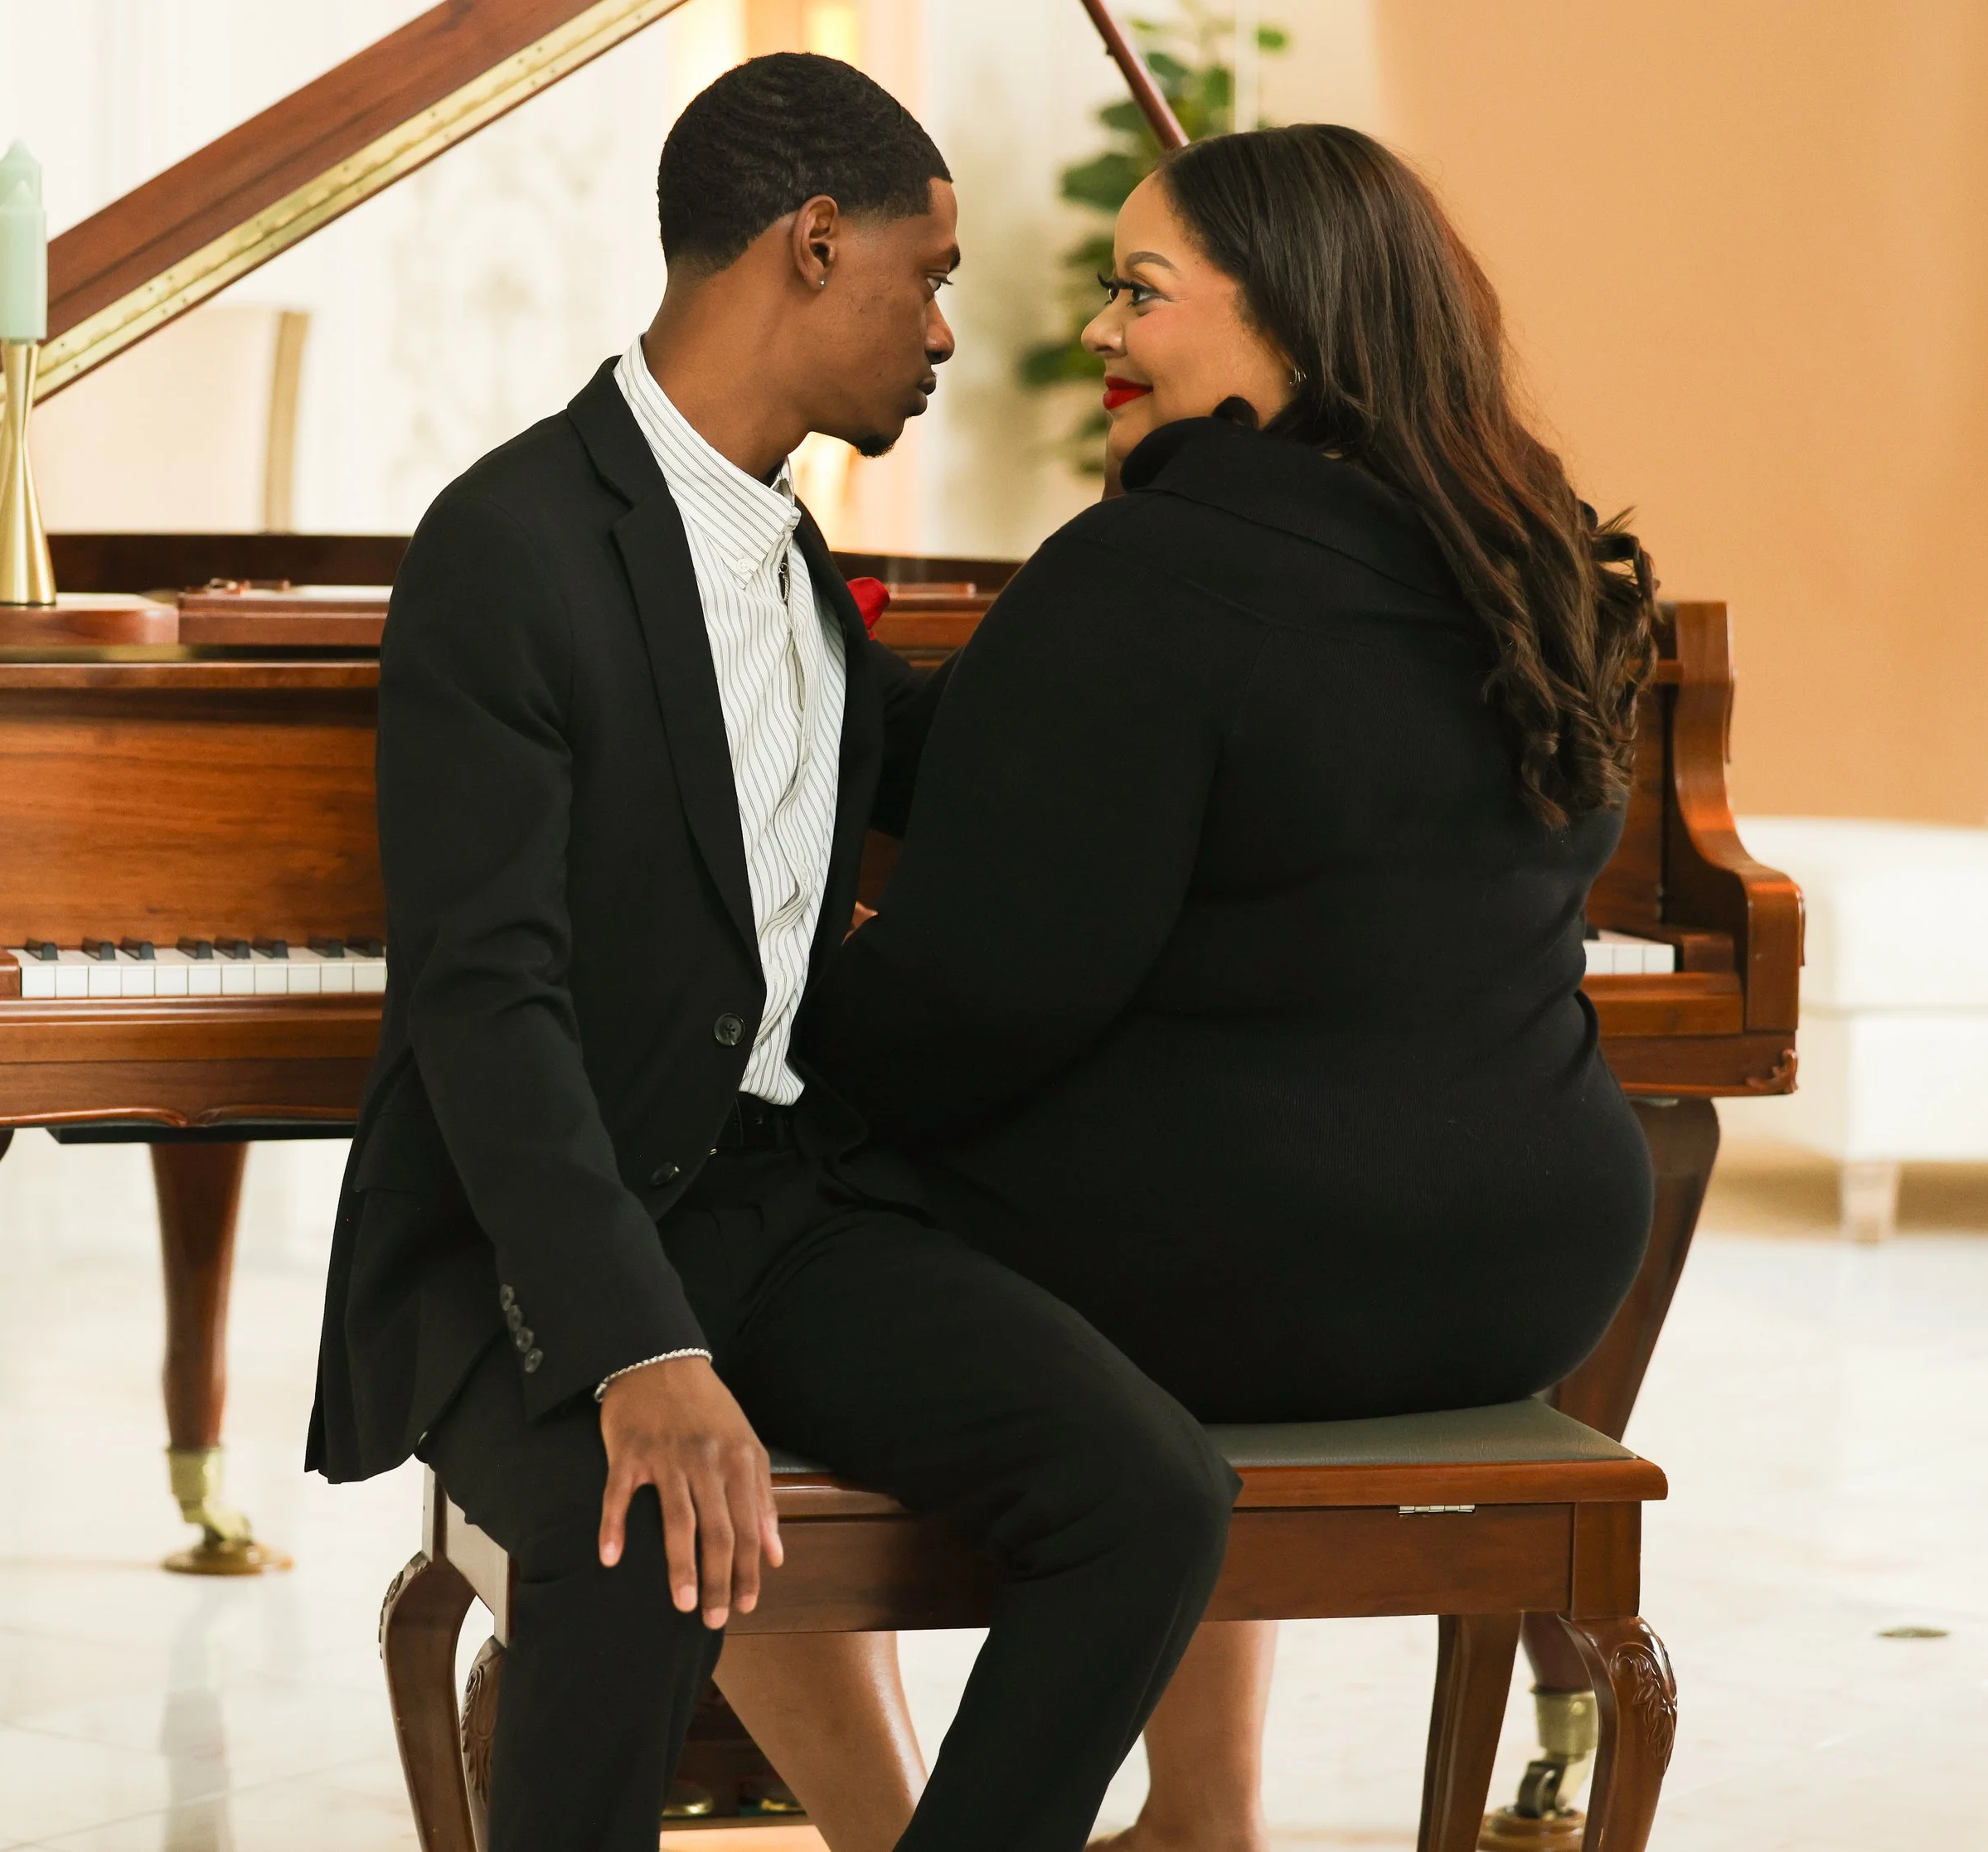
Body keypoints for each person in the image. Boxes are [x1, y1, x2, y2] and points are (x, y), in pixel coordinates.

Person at [307, 54, 1239, 1852]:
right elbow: (488, 1002)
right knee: (639, 1539)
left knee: (1149, 1491)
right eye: (929, 275)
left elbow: (998, 768)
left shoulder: (796, 562)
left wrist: (1206, 539)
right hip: (533, 1238)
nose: (947, 332)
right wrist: (633, 1353)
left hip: (775, 1204)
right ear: (816, 244)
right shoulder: (506, 547)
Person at [713, 124, 1660, 1852]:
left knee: (695, 1260)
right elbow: (1037, 757)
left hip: (1249, 1272)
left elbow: (973, 1008)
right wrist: (802, 633)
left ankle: (889, 1829)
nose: (1098, 331)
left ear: (1290, 319)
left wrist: (761, 1031)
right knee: (1168, 1167)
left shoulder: (1156, 570)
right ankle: (1199, 1820)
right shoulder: (1523, 557)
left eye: (1139, 294)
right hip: (1528, 1267)